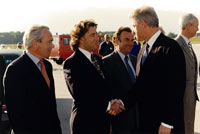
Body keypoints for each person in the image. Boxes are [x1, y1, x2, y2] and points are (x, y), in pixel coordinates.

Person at [111, 6, 186, 134]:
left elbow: (176, 89)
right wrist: (123, 102)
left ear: (142, 24)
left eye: (134, 26)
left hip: (164, 126)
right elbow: (141, 85)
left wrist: (167, 122)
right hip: (148, 123)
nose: (133, 31)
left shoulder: (170, 48)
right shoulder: (144, 48)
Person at [63, 20, 123, 134]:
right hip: (85, 125)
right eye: (92, 35)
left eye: (96, 34)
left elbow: (105, 89)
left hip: (103, 124)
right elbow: (81, 96)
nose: (97, 38)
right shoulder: (72, 63)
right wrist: (109, 106)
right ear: (80, 38)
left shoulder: (98, 60)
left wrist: (113, 102)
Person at [3, 25, 62, 134]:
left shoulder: (47, 66)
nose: (52, 46)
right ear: (35, 43)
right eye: (49, 42)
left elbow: (51, 107)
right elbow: (16, 115)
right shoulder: (15, 70)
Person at [103, 27, 137, 134]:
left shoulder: (135, 60)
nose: (130, 44)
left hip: (138, 121)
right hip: (119, 123)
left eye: (132, 40)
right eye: (127, 40)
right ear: (116, 41)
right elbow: (106, 95)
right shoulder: (106, 63)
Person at [175, 13, 199, 134]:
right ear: (188, 26)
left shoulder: (188, 44)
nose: (198, 29)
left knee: (189, 127)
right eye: (196, 26)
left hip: (190, 97)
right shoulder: (177, 45)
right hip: (182, 98)